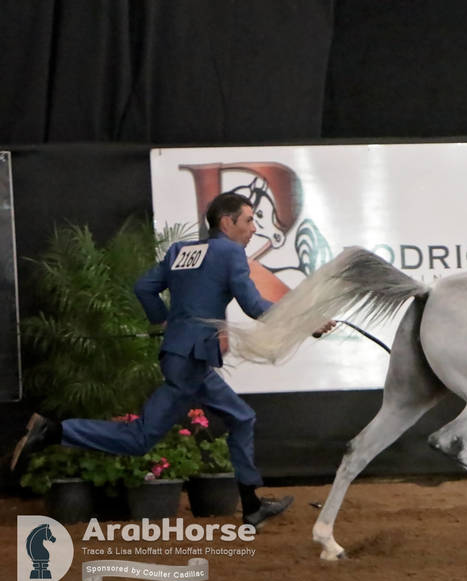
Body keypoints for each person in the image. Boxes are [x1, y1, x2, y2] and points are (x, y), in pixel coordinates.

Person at [11, 192, 333, 528]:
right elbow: (254, 306)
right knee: (141, 439)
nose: (254, 229)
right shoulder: (231, 253)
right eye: (249, 220)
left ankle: (252, 505)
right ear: (227, 222)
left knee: (241, 418)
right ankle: (53, 431)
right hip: (191, 360)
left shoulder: (182, 250)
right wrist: (305, 322)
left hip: (184, 357)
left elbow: (144, 287)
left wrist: (162, 320)